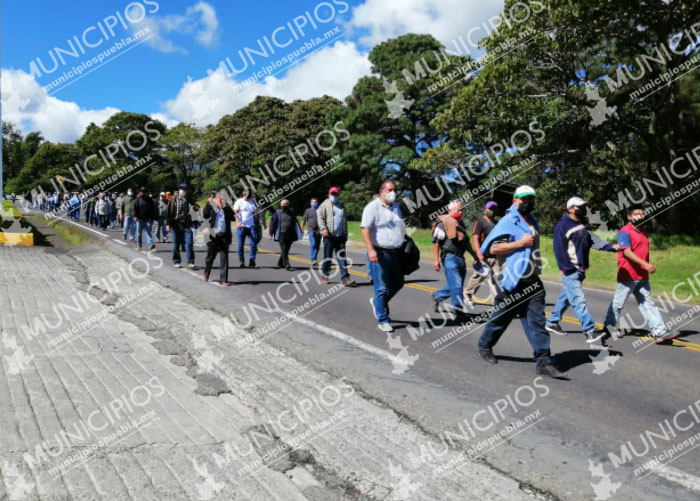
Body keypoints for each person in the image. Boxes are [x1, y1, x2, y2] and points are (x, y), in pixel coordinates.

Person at [476, 185, 566, 378]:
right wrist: (520, 244)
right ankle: (484, 345)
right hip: (512, 281)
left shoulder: (532, 221)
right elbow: (491, 249)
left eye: (531, 199)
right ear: (515, 201)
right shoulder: (507, 221)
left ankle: (543, 361)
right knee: (501, 318)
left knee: (537, 322)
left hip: (532, 281)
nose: (528, 202)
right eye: (524, 199)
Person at [545, 197, 619, 343]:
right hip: (571, 270)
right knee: (579, 301)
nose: (584, 209)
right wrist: (566, 269)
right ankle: (589, 331)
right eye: (580, 206)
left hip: (580, 270)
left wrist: (612, 247)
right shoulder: (563, 226)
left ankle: (552, 322)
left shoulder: (582, 226)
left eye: (584, 207)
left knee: (566, 298)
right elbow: (559, 249)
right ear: (571, 208)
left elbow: (594, 241)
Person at [602, 205, 675, 342]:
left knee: (648, 304)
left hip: (642, 276)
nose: (640, 216)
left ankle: (659, 332)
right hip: (628, 274)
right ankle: (607, 328)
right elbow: (627, 252)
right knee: (618, 303)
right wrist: (646, 265)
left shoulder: (643, 232)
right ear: (629, 217)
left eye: (642, 214)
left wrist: (644, 267)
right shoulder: (624, 232)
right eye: (636, 214)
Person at [361, 180, 406, 332]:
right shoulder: (372, 207)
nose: (393, 192)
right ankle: (383, 319)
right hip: (378, 252)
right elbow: (365, 229)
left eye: (394, 190)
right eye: (390, 190)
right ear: (382, 191)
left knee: (399, 282)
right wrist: (371, 250)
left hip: (395, 252)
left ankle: (377, 302)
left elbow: (399, 227)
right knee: (381, 287)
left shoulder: (396, 207)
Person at [431, 200, 476, 316]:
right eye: (458, 210)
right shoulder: (443, 224)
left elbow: (466, 242)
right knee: (456, 286)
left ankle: (437, 295)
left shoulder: (460, 224)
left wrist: (475, 256)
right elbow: (436, 244)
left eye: (462, 210)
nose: (460, 212)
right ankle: (458, 312)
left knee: (457, 286)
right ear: (450, 210)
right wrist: (436, 260)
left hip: (461, 259)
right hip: (450, 258)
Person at [464, 201, 502, 306]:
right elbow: (475, 238)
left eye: (494, 209)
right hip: (482, 256)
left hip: (494, 257)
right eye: (490, 208)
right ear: (485, 210)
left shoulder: (497, 223)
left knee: (496, 280)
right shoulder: (480, 222)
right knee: (477, 279)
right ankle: (467, 295)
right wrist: (478, 254)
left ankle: (497, 302)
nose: (492, 211)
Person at [318, 187, 355, 287]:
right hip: (329, 236)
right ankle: (325, 275)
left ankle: (345, 278)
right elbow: (320, 217)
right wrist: (323, 229)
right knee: (328, 257)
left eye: (336, 194)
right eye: (332, 194)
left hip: (340, 237)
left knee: (342, 257)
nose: (334, 196)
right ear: (329, 194)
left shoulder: (341, 206)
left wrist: (345, 233)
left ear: (338, 195)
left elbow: (344, 221)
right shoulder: (324, 205)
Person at [203, 193, 233, 286]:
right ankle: (206, 273)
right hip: (213, 236)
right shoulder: (210, 206)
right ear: (216, 198)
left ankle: (223, 280)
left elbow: (233, 218)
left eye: (223, 197)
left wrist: (228, 206)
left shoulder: (225, 208)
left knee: (224, 258)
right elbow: (204, 216)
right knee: (210, 257)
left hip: (224, 235)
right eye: (220, 196)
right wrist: (206, 227)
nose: (222, 198)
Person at [166, 183, 198, 269]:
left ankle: (190, 262)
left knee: (189, 243)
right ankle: (176, 261)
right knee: (176, 243)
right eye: (181, 189)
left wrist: (196, 208)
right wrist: (168, 224)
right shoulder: (173, 199)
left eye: (184, 189)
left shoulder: (189, 199)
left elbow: (195, 208)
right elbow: (169, 213)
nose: (182, 190)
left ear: (187, 191)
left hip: (186, 224)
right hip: (176, 224)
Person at [269, 199, 302, 270]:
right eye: (282, 204)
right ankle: (286, 263)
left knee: (286, 250)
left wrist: (299, 231)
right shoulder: (277, 213)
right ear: (280, 205)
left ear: (288, 205)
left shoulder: (292, 213)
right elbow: (273, 224)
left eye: (285, 204)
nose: (283, 205)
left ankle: (280, 262)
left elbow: (296, 223)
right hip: (281, 234)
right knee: (284, 249)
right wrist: (271, 233)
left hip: (290, 235)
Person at [234, 190, 259, 268]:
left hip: (251, 226)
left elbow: (255, 213)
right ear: (243, 193)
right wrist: (237, 223)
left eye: (247, 192)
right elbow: (236, 213)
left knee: (253, 244)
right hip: (242, 226)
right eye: (244, 192)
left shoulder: (252, 202)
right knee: (241, 245)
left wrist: (257, 224)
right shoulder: (239, 201)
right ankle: (241, 261)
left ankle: (252, 261)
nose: (245, 193)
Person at [133, 187, 156, 251]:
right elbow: (134, 208)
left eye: (144, 192)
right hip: (139, 219)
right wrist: (135, 216)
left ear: (146, 193)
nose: (143, 193)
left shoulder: (150, 200)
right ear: (139, 192)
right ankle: (139, 246)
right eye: (141, 192)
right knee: (139, 233)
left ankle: (150, 244)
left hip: (148, 219)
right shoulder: (137, 200)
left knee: (148, 232)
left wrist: (153, 218)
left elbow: (153, 209)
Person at [301, 198, 321, 268]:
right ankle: (313, 259)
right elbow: (303, 220)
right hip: (311, 229)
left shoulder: (320, 210)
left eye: (315, 202)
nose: (314, 203)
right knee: (313, 244)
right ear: (310, 203)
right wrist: (302, 228)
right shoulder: (308, 211)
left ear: (317, 203)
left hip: (319, 230)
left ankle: (314, 259)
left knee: (317, 246)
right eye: (313, 202)